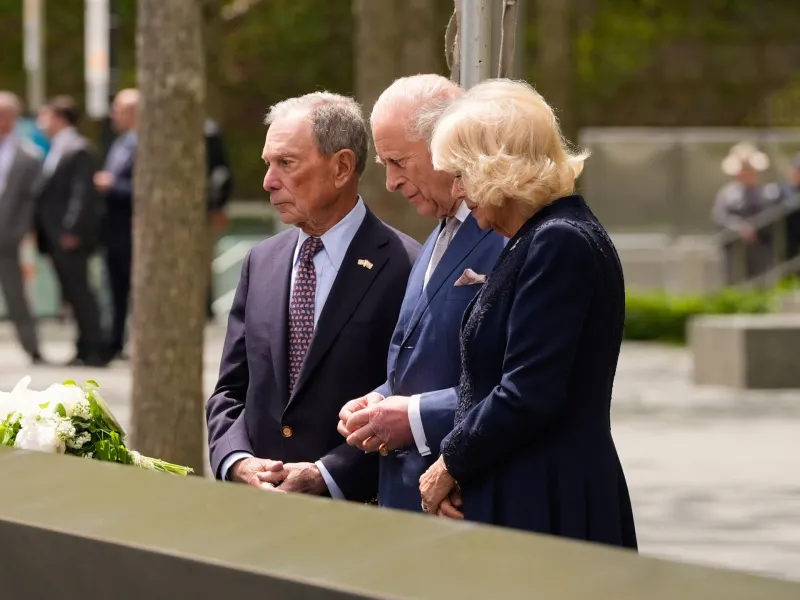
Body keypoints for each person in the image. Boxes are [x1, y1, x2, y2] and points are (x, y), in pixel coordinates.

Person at [417, 79, 638, 550]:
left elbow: (528, 391)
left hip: (548, 501)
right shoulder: (542, 237)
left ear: (497, 166)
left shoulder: (559, 241)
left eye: (461, 173)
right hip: (532, 492)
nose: (456, 190)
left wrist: (449, 462)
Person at [206, 92, 420, 502]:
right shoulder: (261, 262)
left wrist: (329, 474)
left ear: (341, 167)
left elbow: (410, 399)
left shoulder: (406, 266)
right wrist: (236, 460)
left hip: (359, 517)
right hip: (261, 513)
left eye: (286, 164)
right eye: (268, 164)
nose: (269, 181)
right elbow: (231, 390)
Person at [336, 74, 505, 512]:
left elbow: (518, 384)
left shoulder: (508, 235)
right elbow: (419, 359)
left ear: (446, 144)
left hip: (467, 499)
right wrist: (379, 399)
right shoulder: (435, 236)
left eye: (398, 162)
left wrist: (412, 418)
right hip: (408, 500)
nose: (390, 182)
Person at [35, 96, 107, 367]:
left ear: (60, 118)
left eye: (46, 116)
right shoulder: (57, 147)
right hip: (55, 236)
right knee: (72, 293)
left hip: (68, 237)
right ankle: (83, 347)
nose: (42, 122)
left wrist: (71, 229)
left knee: (80, 292)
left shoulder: (78, 148)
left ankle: (94, 347)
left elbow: (81, 194)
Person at [0, 92, 47, 364]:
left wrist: (20, 232)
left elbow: (31, 200)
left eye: (6, 116)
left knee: (16, 295)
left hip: (8, 236)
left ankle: (32, 345)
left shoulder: (29, 155)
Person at [95, 88, 139, 361]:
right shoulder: (119, 142)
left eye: (119, 110)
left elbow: (149, 189)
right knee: (114, 289)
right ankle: (114, 341)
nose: (114, 115)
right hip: (113, 229)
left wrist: (113, 185)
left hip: (132, 230)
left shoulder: (144, 143)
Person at [711, 142, 777, 283]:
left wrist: (756, 229)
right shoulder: (727, 194)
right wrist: (739, 229)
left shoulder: (764, 194)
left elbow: (771, 218)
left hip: (759, 248)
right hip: (734, 248)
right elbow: (719, 217)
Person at [204, 118, 234, 321]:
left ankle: (206, 304)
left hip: (203, 211)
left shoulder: (208, 131)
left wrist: (217, 207)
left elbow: (221, 172)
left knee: (205, 261)